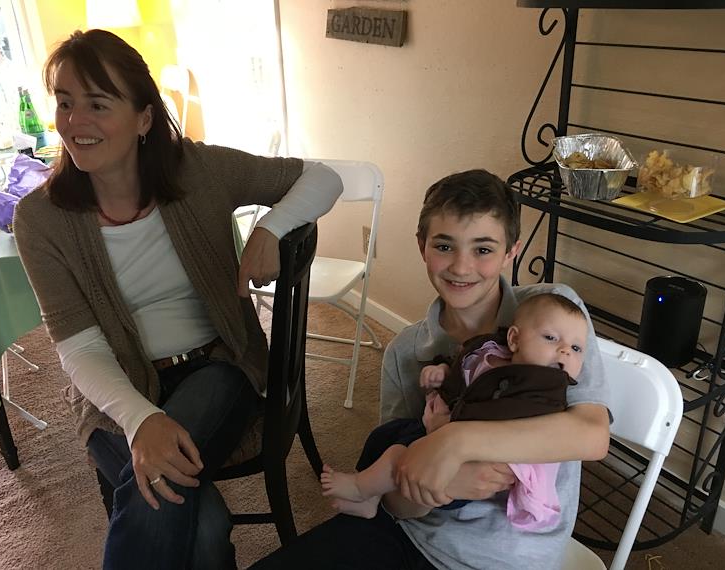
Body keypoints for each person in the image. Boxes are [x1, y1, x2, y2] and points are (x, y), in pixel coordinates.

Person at [12, 29, 342, 570]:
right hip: (114, 391)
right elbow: (78, 346)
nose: (74, 122)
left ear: (144, 118)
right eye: (65, 103)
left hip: (218, 368)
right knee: (204, 526)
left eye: (98, 104)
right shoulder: (40, 219)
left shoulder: (199, 172)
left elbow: (322, 177)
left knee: (168, 497)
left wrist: (271, 227)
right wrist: (141, 419)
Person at [251, 169, 610, 570]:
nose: (461, 266)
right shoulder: (405, 352)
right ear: (422, 246)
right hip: (410, 533)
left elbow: (592, 436)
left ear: (512, 251)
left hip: (505, 560)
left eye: (483, 249)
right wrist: (441, 486)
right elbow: (395, 503)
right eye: (444, 245)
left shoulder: (556, 315)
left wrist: (454, 442)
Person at [321, 292, 588, 531]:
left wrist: (447, 428)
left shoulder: (544, 390)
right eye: (551, 338)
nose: (565, 350)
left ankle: (360, 487)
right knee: (383, 436)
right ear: (514, 338)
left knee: (396, 458)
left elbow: (506, 422)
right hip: (435, 427)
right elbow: (464, 365)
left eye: (576, 348)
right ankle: (371, 500)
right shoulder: (492, 350)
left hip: (471, 462)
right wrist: (443, 371)